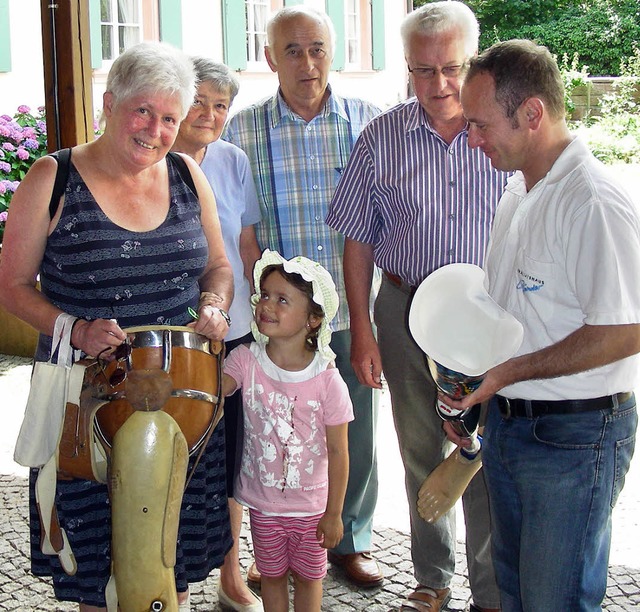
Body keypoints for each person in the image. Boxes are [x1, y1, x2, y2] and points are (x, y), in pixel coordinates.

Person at [0, 42, 234, 611]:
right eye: (144, 111)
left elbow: (219, 267)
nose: (156, 130)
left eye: (170, 119)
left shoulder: (185, 174)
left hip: (184, 404)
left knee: (169, 569)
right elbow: (10, 287)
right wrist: (74, 327)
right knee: (101, 579)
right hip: (88, 409)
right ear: (109, 104)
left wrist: (215, 305)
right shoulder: (51, 178)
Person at [441, 39, 640, 611]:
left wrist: (508, 373)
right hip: (510, 429)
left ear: (533, 114)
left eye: (480, 125)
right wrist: (476, 395)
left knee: (555, 600)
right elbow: (512, 318)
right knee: (520, 596)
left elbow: (625, 331)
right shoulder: (519, 191)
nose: (471, 140)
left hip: (573, 440)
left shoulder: (593, 202)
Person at [325, 3, 509, 611]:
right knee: (419, 445)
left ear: (472, 63)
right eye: (423, 71)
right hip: (403, 310)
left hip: (488, 319)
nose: (438, 85)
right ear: (408, 69)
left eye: (451, 68)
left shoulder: (505, 133)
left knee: (484, 449)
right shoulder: (380, 137)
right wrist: (363, 333)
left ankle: (490, 590)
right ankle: (433, 580)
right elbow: (357, 236)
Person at [224, 5, 384, 587]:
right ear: (270, 60)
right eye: (291, 50)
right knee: (270, 426)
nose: (306, 62)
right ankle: (270, 532)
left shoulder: (369, 121)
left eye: (316, 48)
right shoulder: (241, 130)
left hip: (347, 307)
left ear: (332, 54)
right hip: (275, 320)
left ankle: (349, 537)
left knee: (349, 427)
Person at [171, 56, 263, 612]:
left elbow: (245, 247)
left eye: (220, 106)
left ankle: (231, 578)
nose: (209, 114)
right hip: (173, 337)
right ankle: (165, 573)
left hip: (233, 333)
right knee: (176, 458)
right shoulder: (152, 160)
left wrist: (265, 319)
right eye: (199, 102)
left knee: (230, 457)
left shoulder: (232, 160)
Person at [221, 249, 352, 612]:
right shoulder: (245, 360)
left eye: (282, 299)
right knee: (272, 576)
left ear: (312, 320)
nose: (267, 305)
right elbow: (217, 388)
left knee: (310, 579)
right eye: (264, 294)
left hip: (311, 507)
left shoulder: (328, 380)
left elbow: (339, 451)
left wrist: (334, 512)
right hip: (264, 505)